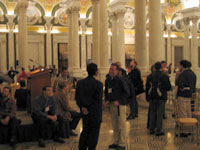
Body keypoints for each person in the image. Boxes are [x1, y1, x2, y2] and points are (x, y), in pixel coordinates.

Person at [75, 63, 103, 150]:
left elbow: (77, 97)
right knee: (94, 133)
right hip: (95, 113)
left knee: (85, 131)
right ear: (96, 71)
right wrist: (90, 109)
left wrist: (83, 107)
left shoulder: (80, 83)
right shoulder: (98, 84)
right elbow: (97, 100)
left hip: (84, 112)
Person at [105, 63, 129, 150]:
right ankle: (116, 141)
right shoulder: (108, 80)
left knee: (122, 125)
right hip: (111, 105)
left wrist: (119, 101)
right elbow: (107, 92)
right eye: (110, 69)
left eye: (113, 69)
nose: (111, 71)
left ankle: (122, 143)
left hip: (120, 106)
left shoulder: (120, 80)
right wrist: (107, 100)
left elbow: (127, 92)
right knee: (114, 124)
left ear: (117, 71)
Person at [146, 62, 171, 136]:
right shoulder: (164, 76)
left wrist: (147, 97)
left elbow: (147, 88)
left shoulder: (149, 76)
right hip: (161, 97)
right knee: (159, 114)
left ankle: (151, 129)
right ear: (161, 67)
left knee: (152, 113)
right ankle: (158, 130)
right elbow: (168, 87)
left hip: (152, 96)